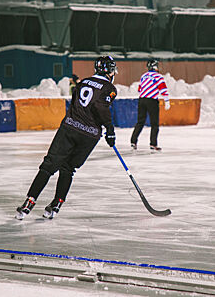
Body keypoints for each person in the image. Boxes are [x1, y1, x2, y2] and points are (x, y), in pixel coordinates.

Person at [15, 56, 118, 220]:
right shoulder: (109, 88)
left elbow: (77, 102)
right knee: (68, 169)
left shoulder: (82, 82)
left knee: (48, 166)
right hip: (89, 135)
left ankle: (29, 202)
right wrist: (110, 129)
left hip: (69, 128)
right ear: (109, 70)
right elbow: (100, 107)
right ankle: (56, 204)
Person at [130, 59, 170, 151]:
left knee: (140, 122)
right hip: (152, 101)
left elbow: (139, 89)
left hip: (142, 100)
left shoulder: (143, 76)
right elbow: (163, 89)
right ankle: (153, 144)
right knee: (154, 123)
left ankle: (133, 141)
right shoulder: (158, 76)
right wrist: (166, 100)